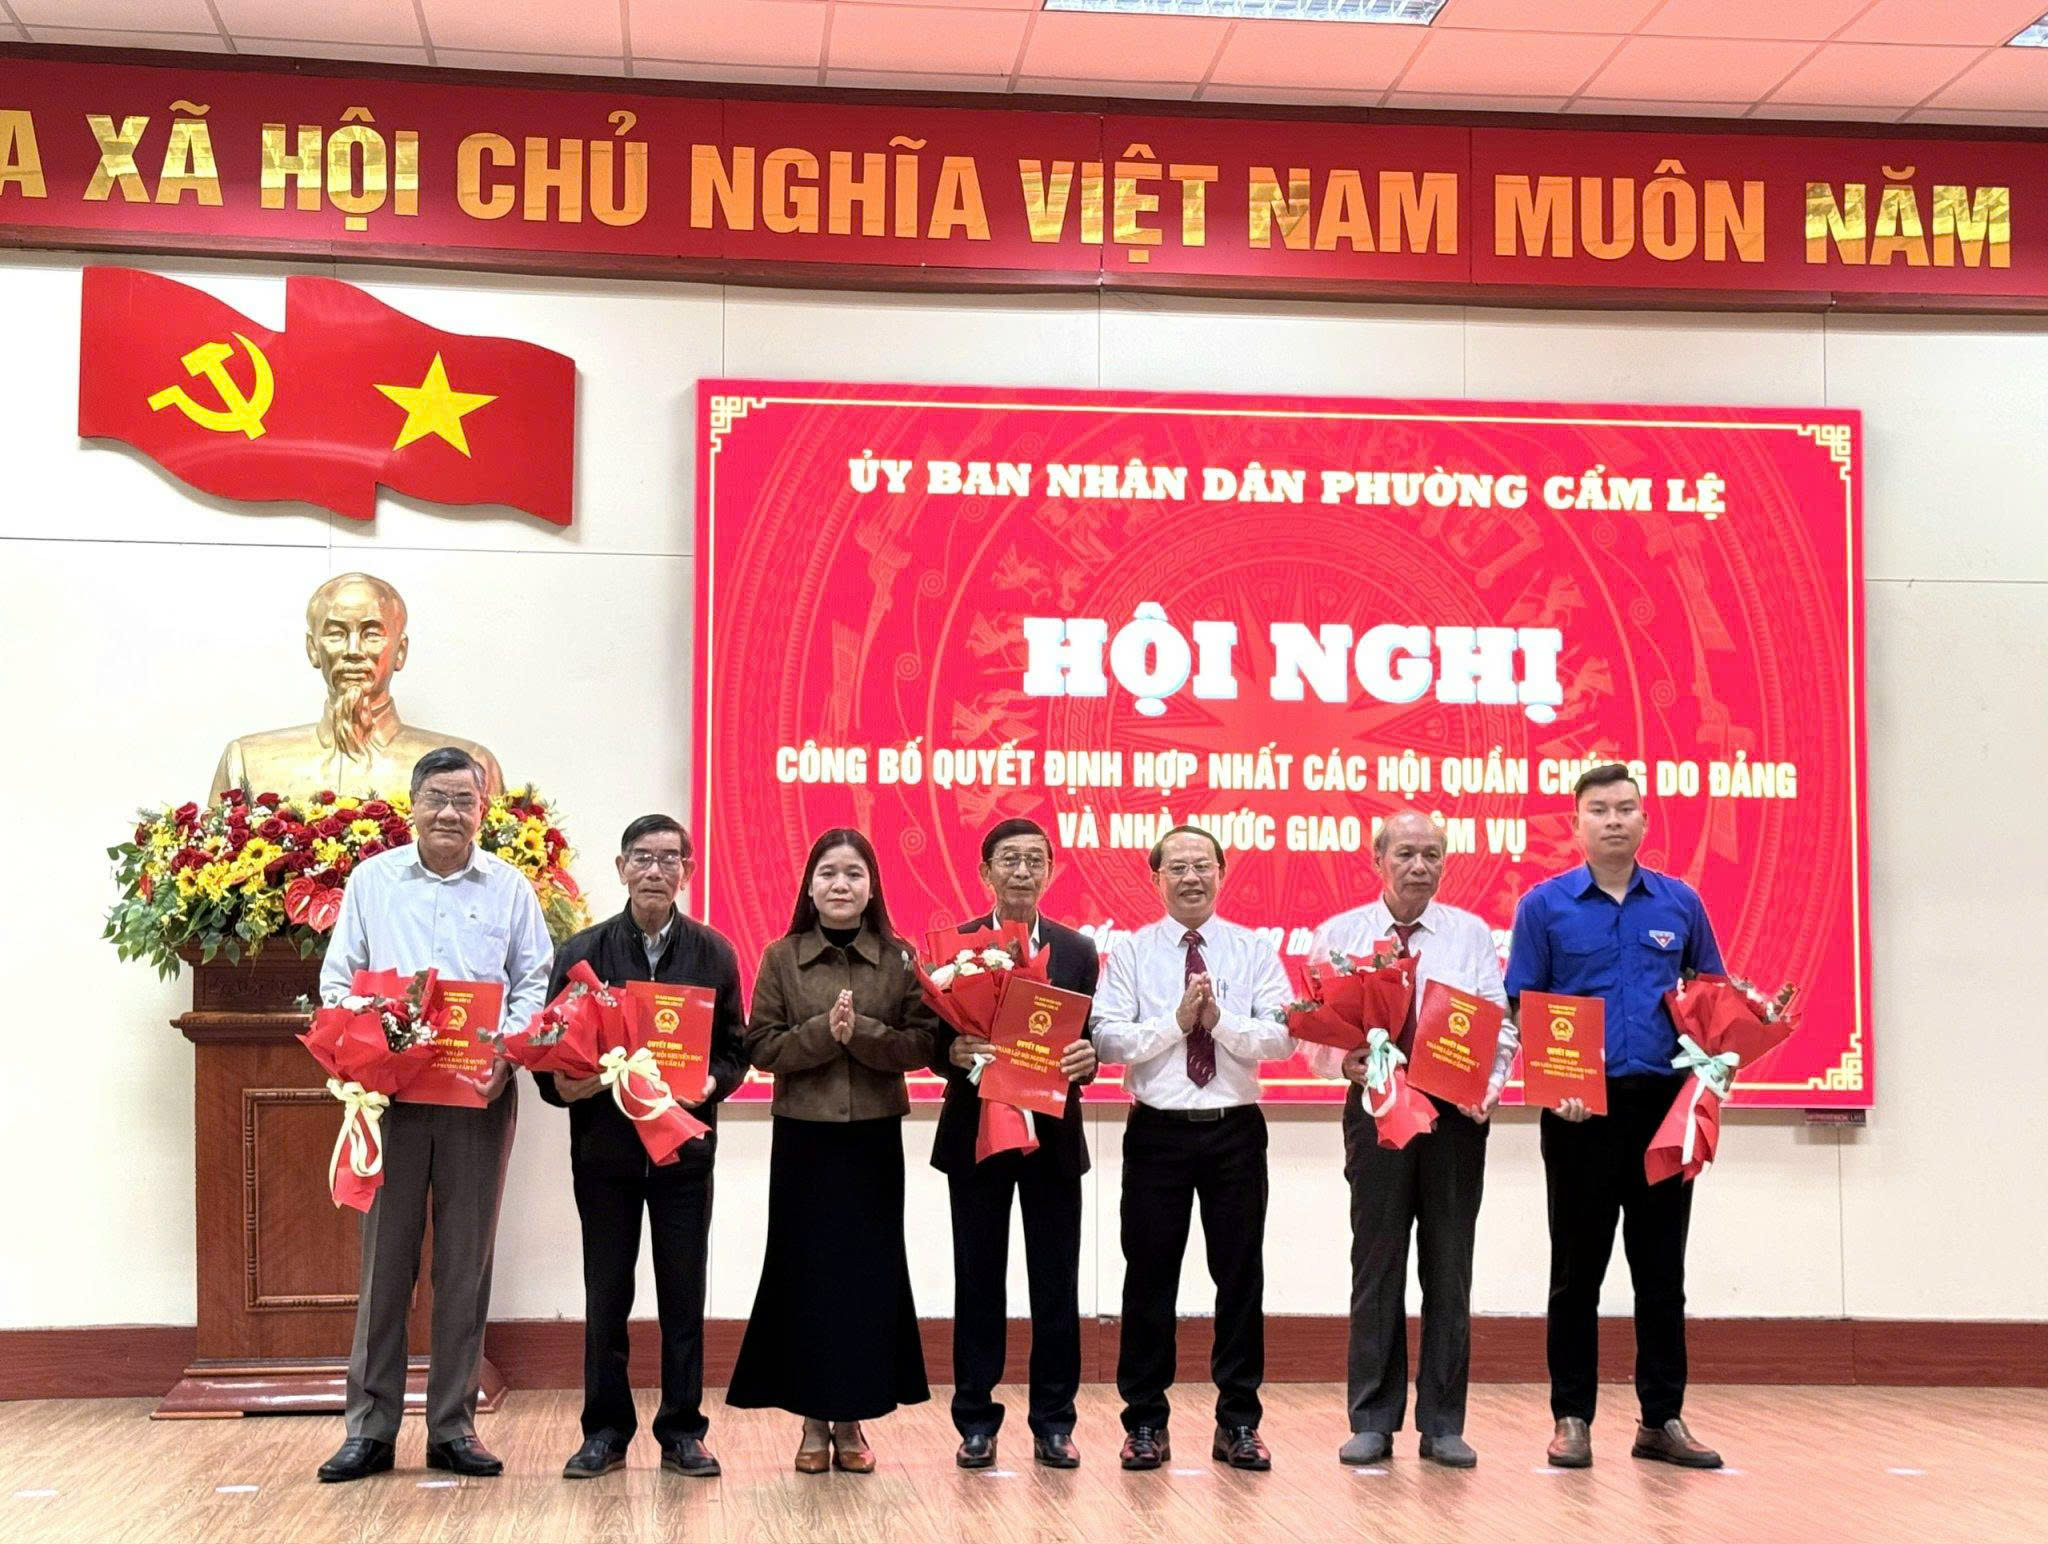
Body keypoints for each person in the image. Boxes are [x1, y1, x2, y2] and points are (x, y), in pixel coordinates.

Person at [314, 747, 552, 1484]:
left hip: (477, 1095)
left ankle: (453, 1426)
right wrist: (372, 1037)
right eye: (437, 798)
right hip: (390, 1098)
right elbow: (337, 979)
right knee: (384, 1266)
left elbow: (533, 980)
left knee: (464, 1265)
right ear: (412, 805)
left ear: (484, 810)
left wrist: (506, 1052)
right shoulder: (372, 881)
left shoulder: (510, 887)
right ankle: (370, 1429)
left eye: (464, 800)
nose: (450, 812)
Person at [1506, 762, 1727, 1471]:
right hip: (1579, 1114)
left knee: (1661, 1274)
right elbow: (1523, 1002)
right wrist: (1554, 1085)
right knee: (1577, 1274)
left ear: (1644, 820)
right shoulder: (1544, 906)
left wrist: (1711, 1072)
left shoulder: (1681, 903)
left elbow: (1711, 996)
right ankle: (1571, 1418)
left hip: (1663, 1110)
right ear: (1576, 825)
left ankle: (1661, 1419)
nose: (1612, 820)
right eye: (1598, 809)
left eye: (1625, 808)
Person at [537, 814, 750, 1480]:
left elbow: (736, 1051)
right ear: (622, 867)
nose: (655, 870)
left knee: (683, 1296)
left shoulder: (714, 953)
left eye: (669, 859)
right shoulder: (583, 953)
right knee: (606, 1296)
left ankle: (683, 1431)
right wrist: (565, 1086)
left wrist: (711, 1083)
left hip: (684, 1156)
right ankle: (604, 1431)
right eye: (643, 858)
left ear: (687, 870)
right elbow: (551, 1056)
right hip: (606, 1155)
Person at [1303, 810, 1517, 1469]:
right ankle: (1372, 1419)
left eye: (1432, 854)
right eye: (1406, 853)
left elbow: (1500, 1026)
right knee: (1377, 1264)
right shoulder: (1340, 934)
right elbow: (1311, 1031)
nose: (1420, 865)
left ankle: (1443, 1423)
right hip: (1376, 1112)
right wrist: (1342, 1063)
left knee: (1449, 1267)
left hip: (1454, 1120)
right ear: (1378, 859)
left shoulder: (1470, 934)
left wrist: (1491, 1086)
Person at [726, 829, 938, 1473]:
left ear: (872, 887)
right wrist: (823, 1033)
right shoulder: (781, 956)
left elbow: (922, 1044)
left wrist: (863, 1033)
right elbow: (761, 1046)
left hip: (873, 1140)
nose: (840, 884)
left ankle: (852, 1422)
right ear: (810, 886)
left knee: (865, 1279)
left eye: (853, 873)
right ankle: (812, 1423)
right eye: (827, 873)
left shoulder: (900, 957)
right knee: (807, 1276)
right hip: (804, 1138)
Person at [1093, 825, 1294, 1473]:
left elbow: (1283, 1037)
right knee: (1149, 1278)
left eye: (1202, 865)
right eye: (1176, 867)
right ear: (1157, 879)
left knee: (1239, 1278)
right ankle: (1144, 1422)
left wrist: (1220, 1023)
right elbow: (1107, 1039)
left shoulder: (1254, 949)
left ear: (1221, 873)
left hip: (1235, 1130)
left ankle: (1239, 1422)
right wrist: (1175, 1023)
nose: (1191, 877)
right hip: (1158, 1132)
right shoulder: (1130, 952)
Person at [930, 817, 1099, 1471]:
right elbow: (931, 1038)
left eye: (1035, 859)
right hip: (977, 1135)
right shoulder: (958, 947)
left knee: (1056, 1282)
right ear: (985, 872)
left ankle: (1054, 1423)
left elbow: (1089, 1035)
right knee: (978, 1280)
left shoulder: (1078, 950)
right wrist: (951, 1052)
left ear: (1051, 870)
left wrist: (1088, 1058)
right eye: (1010, 859)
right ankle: (975, 1420)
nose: (1022, 870)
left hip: (1051, 1136)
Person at [211, 572, 503, 801]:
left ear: (400, 651)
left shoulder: (470, 765)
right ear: (313, 649)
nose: (353, 650)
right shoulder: (248, 761)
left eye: (371, 634)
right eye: (336, 634)